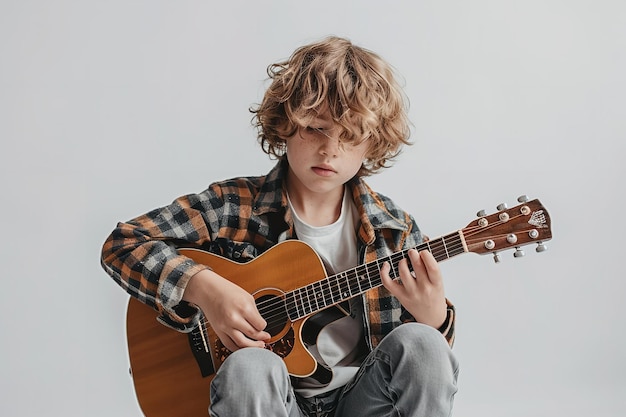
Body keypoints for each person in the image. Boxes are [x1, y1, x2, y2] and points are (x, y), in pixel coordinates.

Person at [101, 36, 459, 417]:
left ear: (373, 144)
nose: (329, 150)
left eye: (350, 136)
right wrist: (206, 290)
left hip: (364, 402)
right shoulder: (232, 206)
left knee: (424, 343)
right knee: (251, 364)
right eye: (316, 128)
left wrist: (433, 317)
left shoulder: (394, 230)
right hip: (269, 402)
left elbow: (421, 372)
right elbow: (124, 244)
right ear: (286, 122)